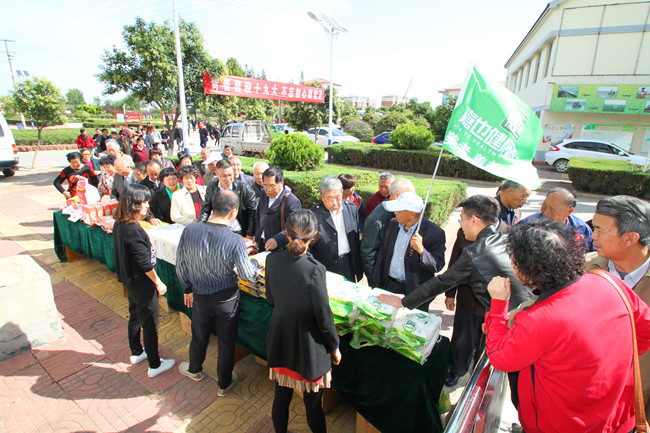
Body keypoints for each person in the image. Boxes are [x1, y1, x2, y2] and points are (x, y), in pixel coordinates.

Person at [485, 218, 650, 433]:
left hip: (563, 424)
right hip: (618, 418)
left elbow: (500, 357)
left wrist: (499, 304)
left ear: (527, 268)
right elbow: (643, 333)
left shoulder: (539, 318)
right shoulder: (608, 281)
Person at [377, 195, 533, 386]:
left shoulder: (475, 253)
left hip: (515, 327)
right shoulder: (505, 238)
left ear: (474, 220)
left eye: (461, 220)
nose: (461, 226)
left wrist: (403, 302)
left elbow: (441, 282)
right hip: (525, 314)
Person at [176, 190, 259, 395]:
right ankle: (224, 383)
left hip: (200, 296)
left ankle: (194, 369)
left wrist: (187, 288)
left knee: (199, 335)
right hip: (227, 300)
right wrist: (254, 264)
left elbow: (181, 264)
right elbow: (247, 275)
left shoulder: (190, 230)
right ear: (233, 212)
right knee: (226, 342)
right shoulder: (235, 240)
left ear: (213, 207)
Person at [266, 209, 341, 433]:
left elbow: (271, 299)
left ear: (286, 234)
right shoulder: (315, 269)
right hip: (308, 346)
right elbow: (323, 315)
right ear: (314, 236)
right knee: (313, 405)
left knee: (281, 398)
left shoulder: (272, 260)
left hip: (280, 339)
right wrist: (334, 346)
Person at [586, 195, 650, 410]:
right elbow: (540, 305)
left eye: (599, 230)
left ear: (630, 238)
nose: (593, 236)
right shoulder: (581, 268)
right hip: (588, 396)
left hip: (639, 402)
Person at [113, 184, 175, 378]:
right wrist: (158, 282)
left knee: (135, 315)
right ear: (133, 204)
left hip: (131, 282)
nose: (147, 206)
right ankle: (154, 364)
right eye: (144, 202)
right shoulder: (132, 230)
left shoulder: (120, 224)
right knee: (149, 324)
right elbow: (145, 263)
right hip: (142, 284)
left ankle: (136, 351)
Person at [371, 192, 446, 299]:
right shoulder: (392, 224)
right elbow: (382, 255)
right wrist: (375, 283)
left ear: (412, 214)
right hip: (389, 285)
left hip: (415, 291)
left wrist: (421, 251)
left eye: (399, 210)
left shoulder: (435, 233)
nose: (395, 212)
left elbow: (437, 265)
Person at [361, 178, 415, 286]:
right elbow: (368, 253)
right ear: (397, 195)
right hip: (383, 278)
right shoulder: (376, 219)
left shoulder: (403, 212)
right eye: (409, 195)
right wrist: (374, 281)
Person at [308, 176, 363, 282]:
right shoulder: (313, 215)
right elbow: (308, 247)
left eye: (338, 197)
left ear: (342, 193)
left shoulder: (351, 208)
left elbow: (355, 238)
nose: (334, 203)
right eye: (329, 198)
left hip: (348, 264)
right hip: (325, 267)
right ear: (322, 196)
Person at [519, 187, 592, 251]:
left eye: (552, 209)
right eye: (544, 206)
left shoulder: (582, 228)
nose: (546, 212)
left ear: (569, 211)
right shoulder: (527, 224)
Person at [198, 159, 258, 237]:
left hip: (238, 230)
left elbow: (253, 212)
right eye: (224, 176)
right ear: (217, 174)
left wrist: (250, 234)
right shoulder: (212, 186)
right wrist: (200, 227)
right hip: (217, 228)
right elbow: (206, 208)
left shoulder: (244, 188)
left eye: (230, 175)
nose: (228, 179)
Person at [255, 166, 301, 252]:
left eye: (272, 186)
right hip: (262, 244)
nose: (268, 190)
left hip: (279, 248)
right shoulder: (263, 193)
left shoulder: (291, 201)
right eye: (265, 185)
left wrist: (277, 239)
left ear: (281, 183)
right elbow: (259, 215)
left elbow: (294, 227)